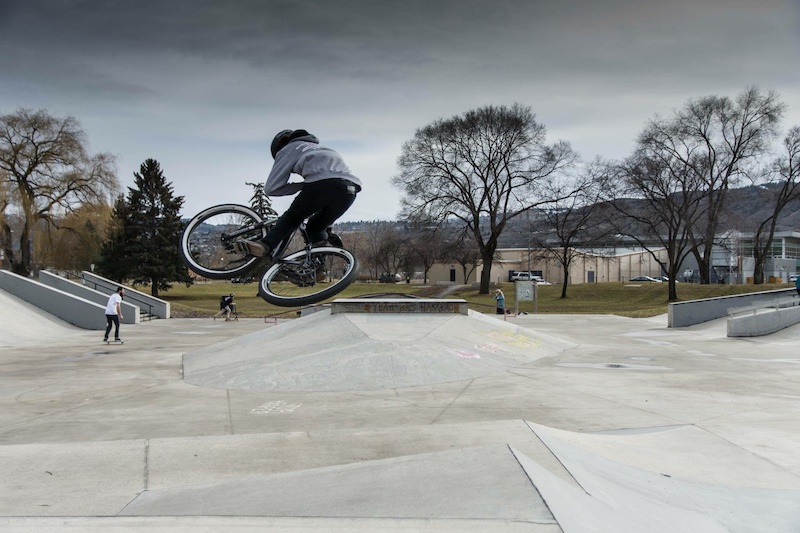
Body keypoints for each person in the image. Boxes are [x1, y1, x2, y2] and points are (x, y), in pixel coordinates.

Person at [234, 129, 361, 258]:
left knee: (293, 217)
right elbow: (335, 185)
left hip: (321, 184)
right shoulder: (324, 148)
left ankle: (264, 245)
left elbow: (271, 188)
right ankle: (318, 269)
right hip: (350, 189)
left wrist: (300, 186)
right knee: (316, 227)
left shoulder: (288, 149)